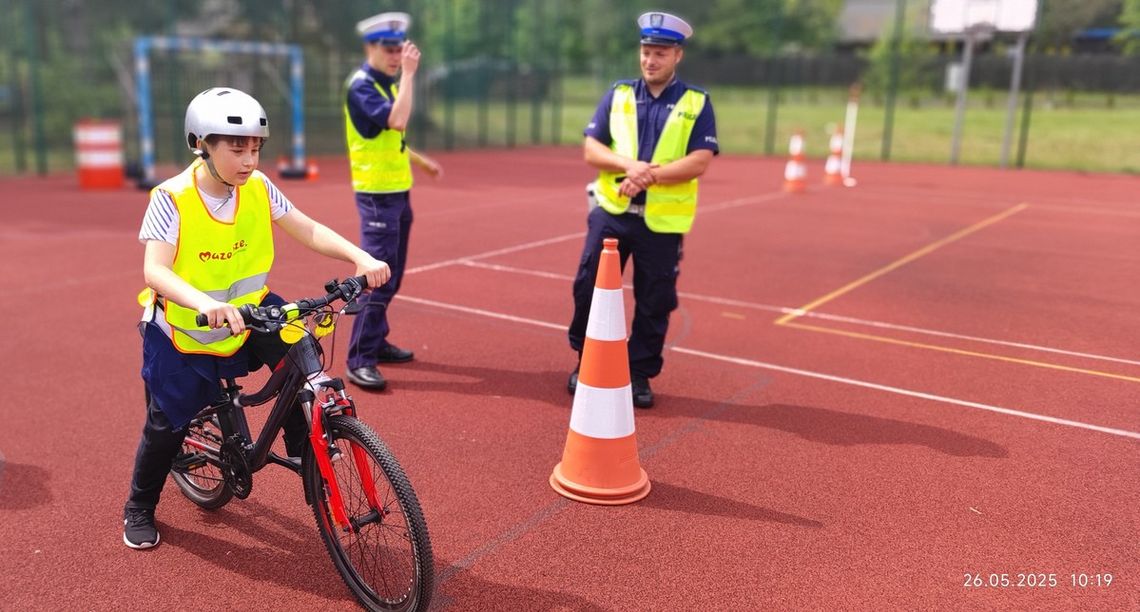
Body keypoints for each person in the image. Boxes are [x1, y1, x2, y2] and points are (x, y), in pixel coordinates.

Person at [123, 87, 391, 549]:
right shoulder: (172, 197)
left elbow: (306, 227)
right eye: (236, 149)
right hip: (185, 328)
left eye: (255, 148)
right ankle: (139, 506)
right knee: (168, 424)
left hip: (251, 311)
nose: (248, 160)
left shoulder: (259, 187)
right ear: (201, 144)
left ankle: (304, 448)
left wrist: (359, 257)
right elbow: (155, 270)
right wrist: (204, 303)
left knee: (302, 350)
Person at [567, 11, 718, 409]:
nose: (650, 60)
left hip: (662, 222)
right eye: (646, 52)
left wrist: (647, 177)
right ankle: (586, 361)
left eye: (660, 53)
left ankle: (637, 374)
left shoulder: (696, 102)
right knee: (588, 287)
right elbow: (592, 149)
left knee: (655, 300)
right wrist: (629, 166)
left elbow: (700, 160)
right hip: (612, 212)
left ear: (677, 55)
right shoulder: (618, 94)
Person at [343, 12, 443, 391]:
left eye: (400, 49)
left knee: (393, 273)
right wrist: (411, 75)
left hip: (397, 191)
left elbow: (390, 137)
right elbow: (397, 121)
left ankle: (376, 340)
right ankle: (360, 358)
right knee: (378, 276)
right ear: (370, 47)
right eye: (389, 49)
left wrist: (421, 161)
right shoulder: (362, 87)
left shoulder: (384, 86)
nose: (396, 56)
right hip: (376, 196)